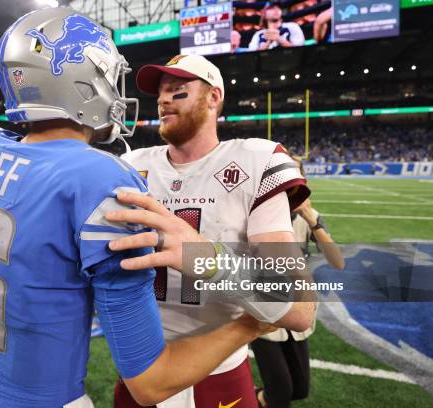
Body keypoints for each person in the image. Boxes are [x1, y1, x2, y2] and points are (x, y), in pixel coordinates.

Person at [0, 9, 275, 408]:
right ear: (82, 84)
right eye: (108, 76)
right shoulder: (100, 179)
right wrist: (250, 324)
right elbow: (150, 383)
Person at [105, 54, 316, 408]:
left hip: (219, 374)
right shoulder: (130, 167)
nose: (163, 99)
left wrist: (210, 261)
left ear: (214, 97)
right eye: (160, 93)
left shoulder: (256, 161)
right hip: (140, 371)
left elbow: (298, 308)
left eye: (177, 90)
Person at [252, 158, 344, 408]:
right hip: (265, 309)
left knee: (300, 390)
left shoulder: (307, 217)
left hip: (298, 309)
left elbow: (337, 262)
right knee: (280, 394)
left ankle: (253, 397)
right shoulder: (256, 212)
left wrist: (310, 218)